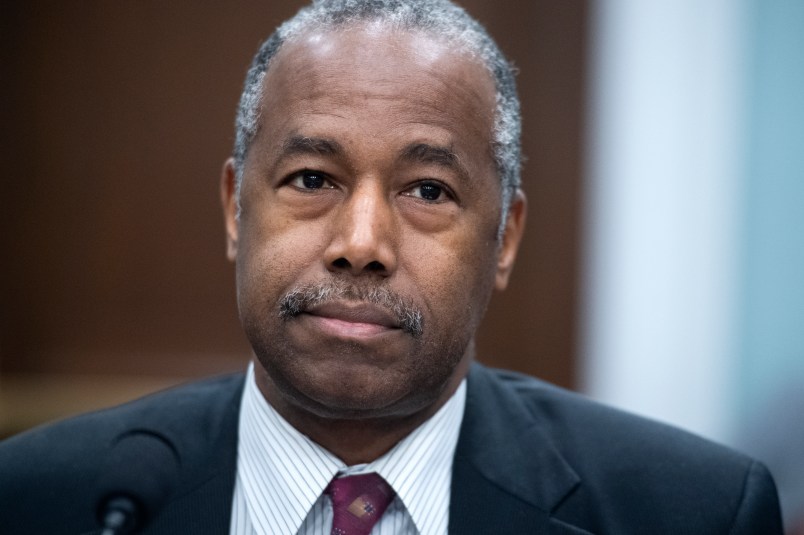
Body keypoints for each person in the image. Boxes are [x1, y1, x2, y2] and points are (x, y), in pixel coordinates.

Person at [0, 0, 783, 533]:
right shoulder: (42, 497)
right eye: (312, 178)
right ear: (237, 207)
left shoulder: (690, 511)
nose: (362, 241)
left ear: (505, 238)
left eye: (428, 189)